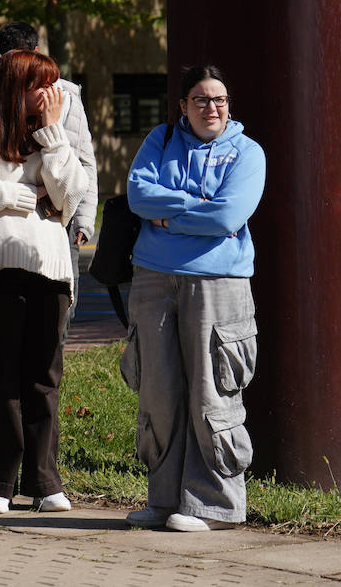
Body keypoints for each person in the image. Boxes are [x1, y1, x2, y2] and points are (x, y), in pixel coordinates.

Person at [0, 49, 90, 515]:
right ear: (15, 87)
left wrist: (53, 134)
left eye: (52, 83)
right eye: (39, 84)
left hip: (52, 269)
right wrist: (26, 197)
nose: (50, 93)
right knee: (2, 375)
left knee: (44, 378)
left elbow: (70, 196)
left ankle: (45, 483)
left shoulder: (50, 133)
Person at [123, 64, 265, 532]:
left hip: (218, 282)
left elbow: (228, 216)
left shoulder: (247, 152)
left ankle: (214, 506)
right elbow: (139, 196)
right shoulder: (160, 140)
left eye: (219, 99)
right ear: (183, 105)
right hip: (153, 277)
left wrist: (168, 216)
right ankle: (164, 500)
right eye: (201, 99)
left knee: (213, 390)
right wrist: (194, 207)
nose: (211, 108)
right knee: (158, 392)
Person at [0, 21, 98, 327]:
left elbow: (84, 160)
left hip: (57, 213)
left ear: (36, 54)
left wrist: (84, 219)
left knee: (60, 310)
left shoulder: (66, 96)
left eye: (22, 57)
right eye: (7, 58)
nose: (16, 66)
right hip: (11, 219)